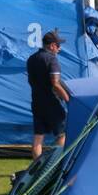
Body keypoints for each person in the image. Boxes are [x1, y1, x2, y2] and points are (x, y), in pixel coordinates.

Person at [26, 29, 70, 160]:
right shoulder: (52, 60)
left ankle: (36, 170)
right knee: (62, 135)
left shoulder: (31, 59)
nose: (59, 49)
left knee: (38, 139)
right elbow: (55, 83)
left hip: (37, 103)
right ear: (51, 46)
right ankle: (53, 164)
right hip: (52, 104)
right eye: (58, 45)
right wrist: (67, 99)